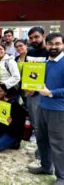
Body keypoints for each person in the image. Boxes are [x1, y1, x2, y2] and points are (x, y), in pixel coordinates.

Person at [28, 33, 64, 185]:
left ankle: (62, 176)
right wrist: (33, 89)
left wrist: (50, 93)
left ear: (63, 45)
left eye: (57, 44)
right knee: (42, 140)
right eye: (50, 44)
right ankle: (46, 166)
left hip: (58, 110)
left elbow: (50, 90)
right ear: (46, 45)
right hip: (42, 107)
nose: (53, 47)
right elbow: (40, 84)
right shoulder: (46, 63)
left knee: (58, 143)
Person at [25, 27, 49, 167]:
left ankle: (43, 158)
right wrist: (28, 88)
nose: (33, 40)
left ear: (43, 36)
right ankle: (40, 154)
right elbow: (29, 72)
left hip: (45, 94)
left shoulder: (49, 53)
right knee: (36, 125)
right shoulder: (31, 52)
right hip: (31, 94)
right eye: (31, 38)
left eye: (36, 37)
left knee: (44, 126)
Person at [0, 84, 27, 152]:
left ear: (5, 92)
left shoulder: (13, 103)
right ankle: (2, 139)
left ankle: (14, 142)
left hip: (12, 131)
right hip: (2, 128)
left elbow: (22, 118)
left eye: (0, 91)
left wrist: (13, 121)